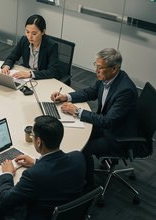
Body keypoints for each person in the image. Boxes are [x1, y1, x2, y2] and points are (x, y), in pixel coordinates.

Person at [0, 116, 86, 220]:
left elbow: (6, 200)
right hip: (68, 219)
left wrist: (7, 174)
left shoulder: (33, 175)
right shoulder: (78, 157)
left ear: (38, 142)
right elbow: (56, 171)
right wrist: (37, 162)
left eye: (32, 136)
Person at [51, 48, 138, 189]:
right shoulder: (107, 78)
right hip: (105, 125)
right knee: (73, 132)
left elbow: (108, 122)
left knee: (83, 148)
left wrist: (77, 111)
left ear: (114, 68)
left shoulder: (125, 90)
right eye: (95, 66)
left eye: (100, 68)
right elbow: (90, 92)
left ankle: (89, 187)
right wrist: (67, 97)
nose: (96, 71)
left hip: (117, 135)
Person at [1, 15, 61, 80]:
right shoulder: (24, 40)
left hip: (42, 78)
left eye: (34, 34)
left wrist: (30, 74)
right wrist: (6, 66)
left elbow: (52, 71)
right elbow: (11, 57)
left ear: (43, 32)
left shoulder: (51, 46)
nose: (29, 36)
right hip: (26, 77)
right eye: (27, 32)